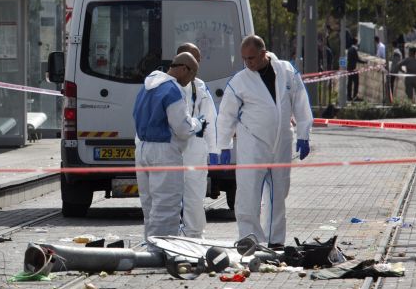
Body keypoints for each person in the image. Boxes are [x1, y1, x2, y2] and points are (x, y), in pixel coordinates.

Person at [213, 35, 313, 248]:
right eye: (244, 59)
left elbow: (301, 101)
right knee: (248, 192)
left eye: (251, 58)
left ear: (263, 53)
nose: (247, 63)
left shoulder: (286, 71)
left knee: (279, 193)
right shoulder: (240, 81)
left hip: (282, 140)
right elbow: (226, 115)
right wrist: (223, 145)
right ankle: (249, 238)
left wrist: (304, 133)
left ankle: (275, 240)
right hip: (252, 144)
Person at [133, 52, 205, 246]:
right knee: (166, 206)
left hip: (142, 150)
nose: (191, 81)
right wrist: (197, 124)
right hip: (164, 151)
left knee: (149, 206)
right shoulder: (172, 90)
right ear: (183, 69)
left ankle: (150, 246)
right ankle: (163, 252)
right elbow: (181, 128)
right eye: (192, 75)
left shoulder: (148, 86)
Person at [175, 43, 218, 238]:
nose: (198, 64)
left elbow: (210, 118)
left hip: (194, 149)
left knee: (195, 196)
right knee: (170, 196)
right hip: (173, 148)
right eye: (195, 59)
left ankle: (193, 235)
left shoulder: (199, 86)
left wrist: (216, 149)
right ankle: (172, 235)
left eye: (199, 60)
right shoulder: (166, 85)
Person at [347, 37, 367, 102]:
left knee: (349, 82)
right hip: (353, 68)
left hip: (349, 68)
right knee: (356, 82)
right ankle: (355, 97)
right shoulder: (354, 50)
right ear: (356, 43)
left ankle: (349, 96)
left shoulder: (349, 49)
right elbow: (357, 59)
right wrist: (364, 62)